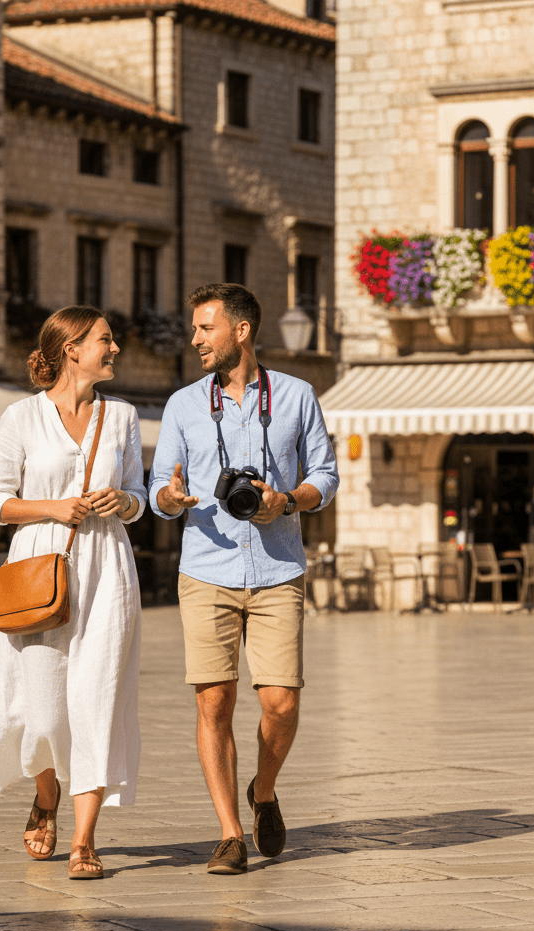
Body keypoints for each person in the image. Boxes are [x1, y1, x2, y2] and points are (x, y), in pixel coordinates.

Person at [149, 283, 339, 875]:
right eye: (195, 329)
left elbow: (326, 475)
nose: (195, 339)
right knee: (215, 701)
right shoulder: (182, 405)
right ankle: (230, 833)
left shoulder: (298, 394)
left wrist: (288, 500)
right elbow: (157, 489)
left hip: (279, 568)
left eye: (206, 328)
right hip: (205, 568)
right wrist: (172, 498)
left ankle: (264, 790)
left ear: (241, 331)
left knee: (280, 702)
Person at [0, 306, 147, 880]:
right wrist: (55, 507)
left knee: (98, 700)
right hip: (41, 567)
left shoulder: (122, 417)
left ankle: (84, 840)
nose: (115, 347)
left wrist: (123, 503)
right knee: (45, 711)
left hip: (107, 571)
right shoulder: (20, 416)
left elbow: (138, 498)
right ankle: (45, 792)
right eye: (105, 339)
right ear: (72, 348)